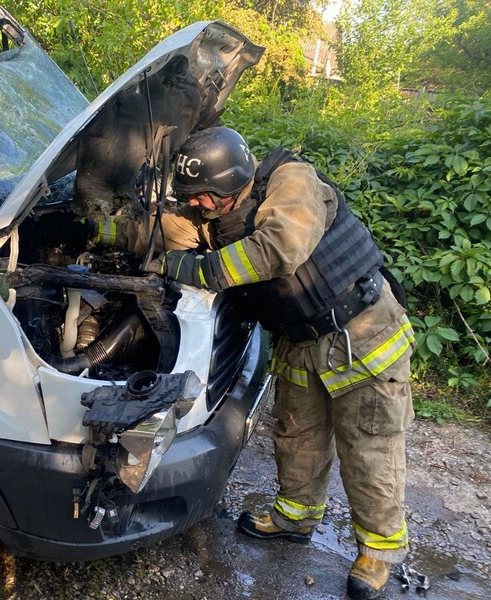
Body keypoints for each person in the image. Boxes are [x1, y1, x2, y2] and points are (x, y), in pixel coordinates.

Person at [92, 127, 414, 600]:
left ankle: (378, 553)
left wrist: (194, 269)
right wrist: (106, 228)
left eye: (203, 197)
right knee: (296, 433)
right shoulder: (214, 209)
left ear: (230, 183)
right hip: (297, 339)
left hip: (361, 336)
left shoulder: (292, 181)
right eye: (190, 197)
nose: (196, 205)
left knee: (369, 448)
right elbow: (160, 232)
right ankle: (295, 517)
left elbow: (279, 249)